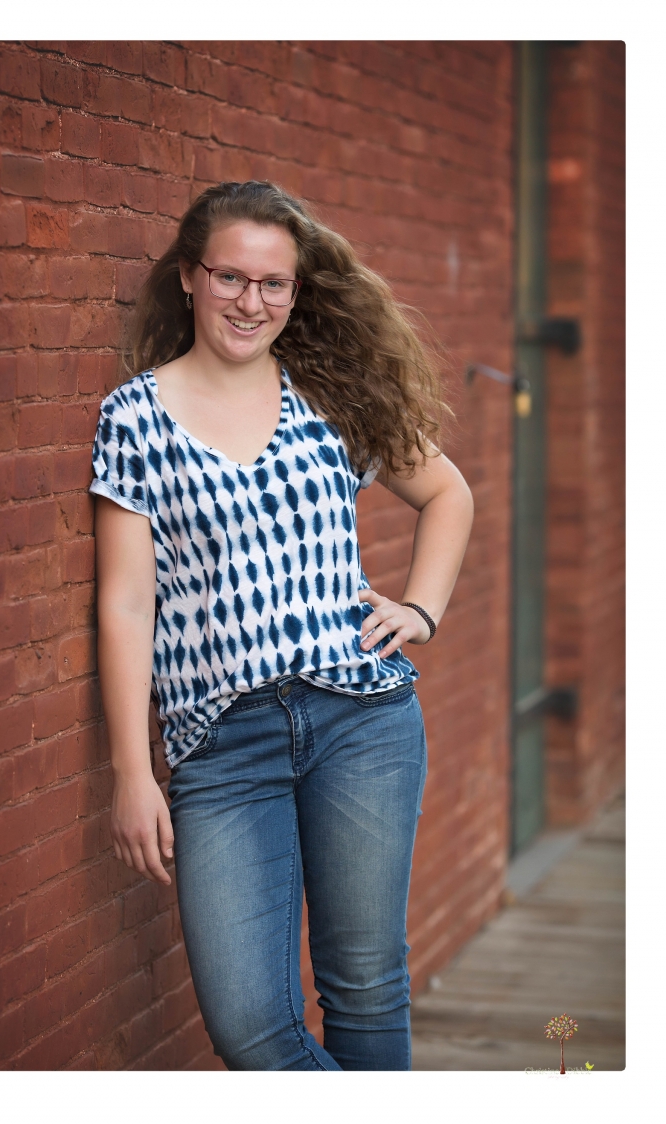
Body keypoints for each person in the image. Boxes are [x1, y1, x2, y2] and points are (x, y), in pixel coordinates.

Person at [90, 180, 473, 1071]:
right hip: (220, 748)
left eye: (274, 285)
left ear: (297, 293)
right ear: (189, 277)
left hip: (363, 722)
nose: (251, 302)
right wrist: (131, 773)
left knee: (365, 983)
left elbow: (447, 492)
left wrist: (420, 608)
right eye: (231, 277)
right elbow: (125, 602)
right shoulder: (135, 417)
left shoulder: (329, 395)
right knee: (250, 1027)